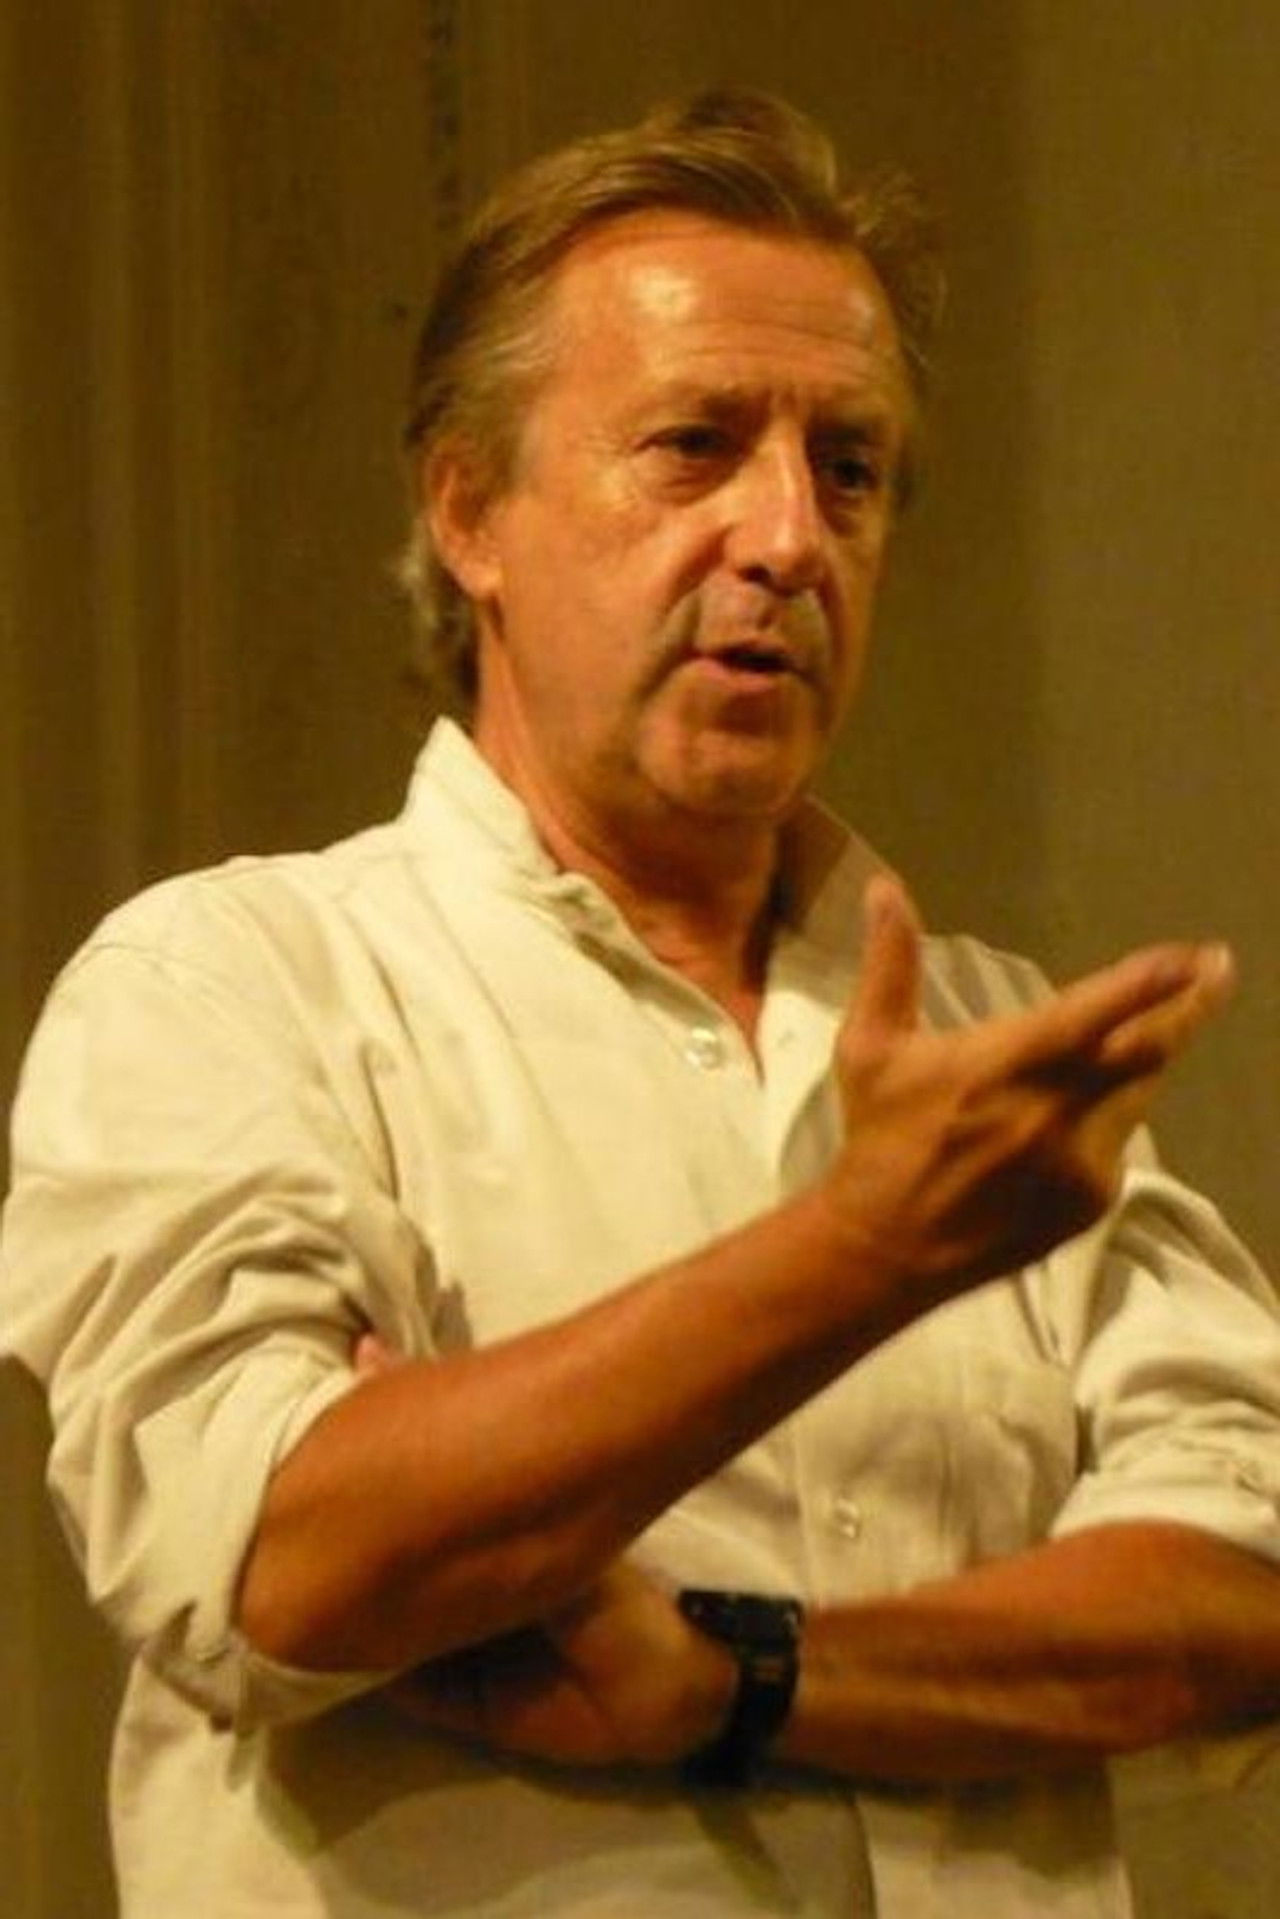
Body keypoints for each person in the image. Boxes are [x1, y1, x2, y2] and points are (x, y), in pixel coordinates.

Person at [3, 88, 1280, 1919]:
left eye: (850, 467)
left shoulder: (985, 1045)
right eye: (695, 446)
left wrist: (735, 1681)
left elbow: (1243, 1595)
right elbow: (281, 1559)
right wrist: (863, 1250)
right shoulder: (232, 982)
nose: (789, 536)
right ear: (470, 512)